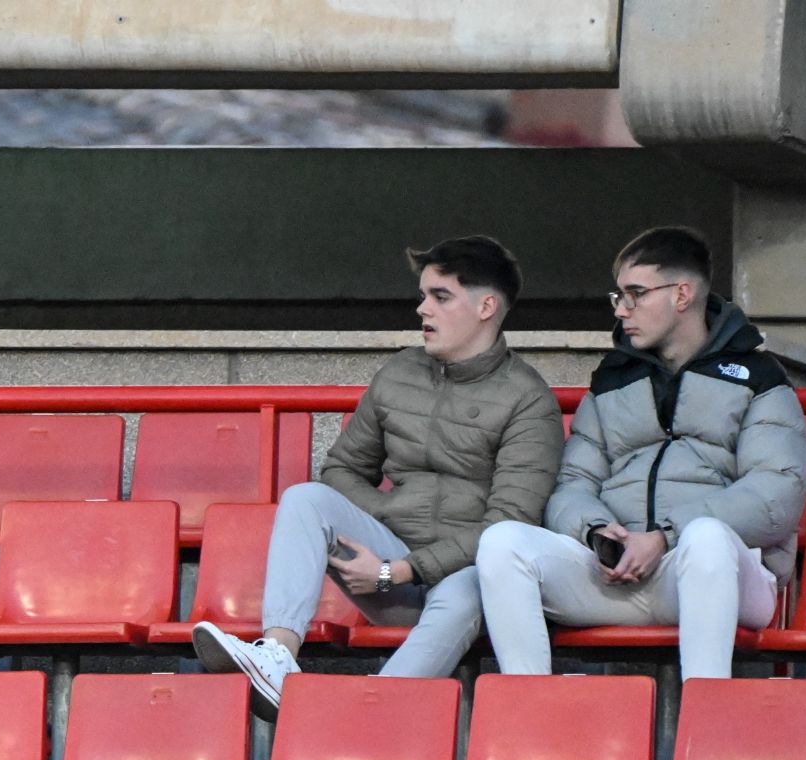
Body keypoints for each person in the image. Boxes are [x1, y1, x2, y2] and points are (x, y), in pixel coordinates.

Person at [191, 235, 565, 716]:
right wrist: (383, 532)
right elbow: (342, 469)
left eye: (440, 296)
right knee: (306, 498)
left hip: (464, 574)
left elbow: (508, 526)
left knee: (469, 586)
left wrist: (399, 570)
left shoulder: (529, 400)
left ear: (486, 306)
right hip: (388, 566)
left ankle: (366, 723)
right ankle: (278, 657)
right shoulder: (399, 373)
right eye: (424, 294)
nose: (421, 309)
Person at [476, 226, 806, 680]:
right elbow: (573, 483)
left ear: (682, 294)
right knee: (503, 543)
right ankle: (531, 711)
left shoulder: (757, 375)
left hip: (714, 574)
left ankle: (704, 716)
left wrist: (665, 537)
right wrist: (598, 534)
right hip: (616, 574)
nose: (621, 309)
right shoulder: (614, 378)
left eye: (635, 294)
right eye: (619, 296)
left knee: (707, 537)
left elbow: (777, 492)